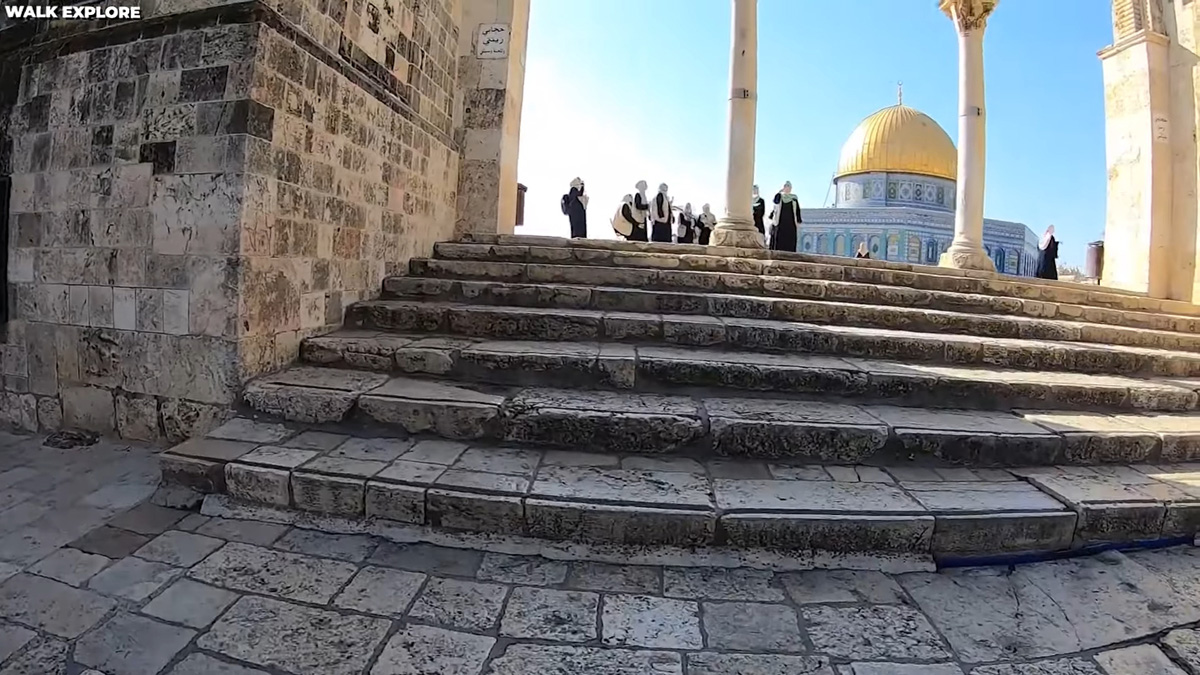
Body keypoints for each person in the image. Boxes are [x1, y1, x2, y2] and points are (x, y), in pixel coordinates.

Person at [769, 181, 801, 252]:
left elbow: (797, 209)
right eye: (786, 187)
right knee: (780, 236)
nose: (787, 188)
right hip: (780, 220)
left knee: (790, 237)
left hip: (790, 221)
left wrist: (798, 220)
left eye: (788, 187)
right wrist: (779, 192)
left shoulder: (794, 198)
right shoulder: (780, 196)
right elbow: (775, 201)